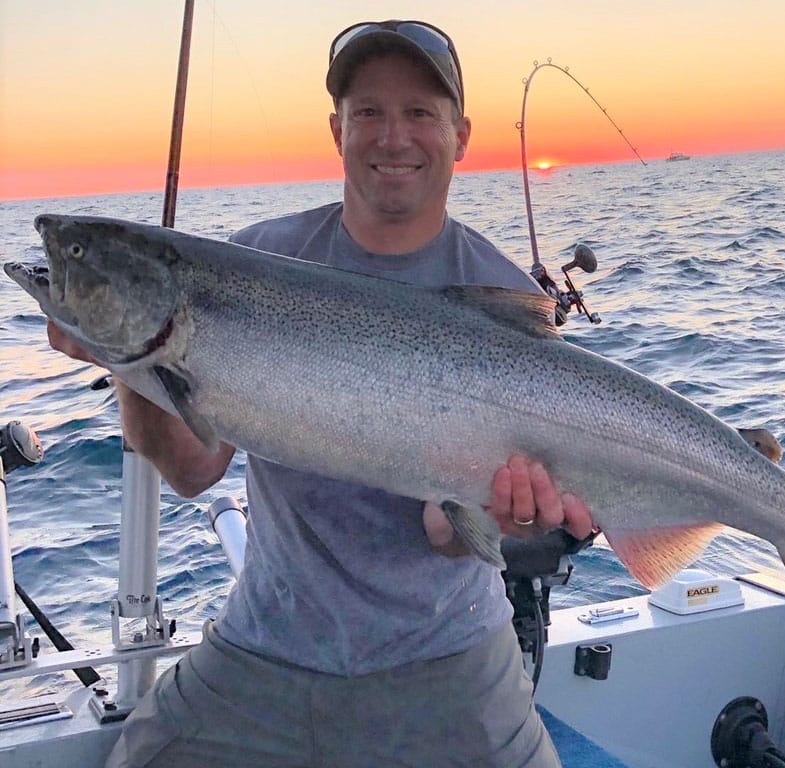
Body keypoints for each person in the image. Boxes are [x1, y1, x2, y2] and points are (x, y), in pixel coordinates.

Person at [48, 19, 593, 768]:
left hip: (447, 659)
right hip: (268, 648)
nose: (391, 136)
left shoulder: (497, 291)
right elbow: (193, 473)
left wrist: (507, 509)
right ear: (336, 128)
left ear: (460, 135)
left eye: (419, 113)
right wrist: (130, 363)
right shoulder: (261, 259)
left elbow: (445, 531)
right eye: (368, 111)